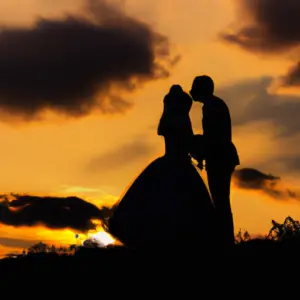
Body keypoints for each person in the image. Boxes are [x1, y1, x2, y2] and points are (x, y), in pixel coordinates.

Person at [107, 85, 217, 250]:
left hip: (170, 163)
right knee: (181, 207)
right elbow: (187, 143)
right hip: (180, 167)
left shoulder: (168, 122)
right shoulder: (182, 122)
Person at [190, 75, 240, 251]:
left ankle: (225, 243)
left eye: (194, 87)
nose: (191, 91)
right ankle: (224, 240)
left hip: (220, 158)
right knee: (220, 200)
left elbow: (214, 138)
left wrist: (197, 145)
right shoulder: (214, 105)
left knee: (220, 201)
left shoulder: (212, 107)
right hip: (220, 156)